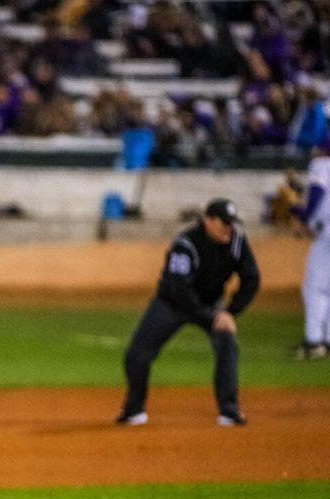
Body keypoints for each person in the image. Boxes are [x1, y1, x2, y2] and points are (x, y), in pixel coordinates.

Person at [117, 198, 261, 427]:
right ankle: (134, 409)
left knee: (227, 344)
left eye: (231, 223)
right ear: (208, 221)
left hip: (212, 302)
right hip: (172, 303)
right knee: (137, 355)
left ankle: (229, 410)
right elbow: (179, 289)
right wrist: (211, 316)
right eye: (224, 223)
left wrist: (230, 312)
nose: (229, 228)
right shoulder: (186, 244)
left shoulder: (237, 241)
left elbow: (251, 278)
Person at [293, 144, 330, 360]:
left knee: (314, 287)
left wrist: (303, 216)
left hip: (326, 232)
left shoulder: (322, 164)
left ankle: (314, 341)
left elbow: (317, 191)